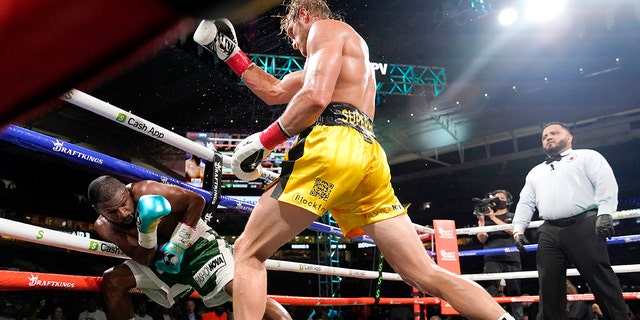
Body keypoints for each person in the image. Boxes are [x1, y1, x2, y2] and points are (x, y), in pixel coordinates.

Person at [192, 1, 515, 319]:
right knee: (423, 273)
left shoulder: (325, 28)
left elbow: (315, 97)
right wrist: (230, 54)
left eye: (292, 32)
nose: (293, 43)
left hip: (334, 145)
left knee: (247, 252)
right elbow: (274, 91)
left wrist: (264, 141)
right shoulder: (344, 58)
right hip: (367, 156)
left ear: (304, 14)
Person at [86, 175, 292, 320]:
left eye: (124, 204)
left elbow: (196, 201)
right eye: (112, 212)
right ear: (99, 211)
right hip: (159, 260)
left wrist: (178, 243)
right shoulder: (104, 227)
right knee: (113, 281)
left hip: (197, 245)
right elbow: (144, 258)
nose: (122, 214)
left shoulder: (149, 191)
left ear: (127, 191)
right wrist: (147, 231)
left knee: (239, 288)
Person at [511, 121, 628, 319]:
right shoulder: (535, 172)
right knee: (548, 285)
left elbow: (605, 183)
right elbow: (525, 203)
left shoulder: (587, 156)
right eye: (544, 136)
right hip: (549, 231)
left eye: (554, 133)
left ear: (569, 137)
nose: (548, 137)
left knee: (600, 279)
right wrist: (518, 229)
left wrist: (606, 212)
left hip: (584, 224)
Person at [475, 190, 523, 319]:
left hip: (511, 257)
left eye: (501, 198)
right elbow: (482, 239)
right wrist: (481, 220)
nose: (498, 199)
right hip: (491, 258)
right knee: (491, 292)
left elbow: (514, 231)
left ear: (507, 201)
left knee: (515, 292)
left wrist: (493, 218)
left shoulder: (513, 215)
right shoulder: (486, 217)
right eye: (496, 198)